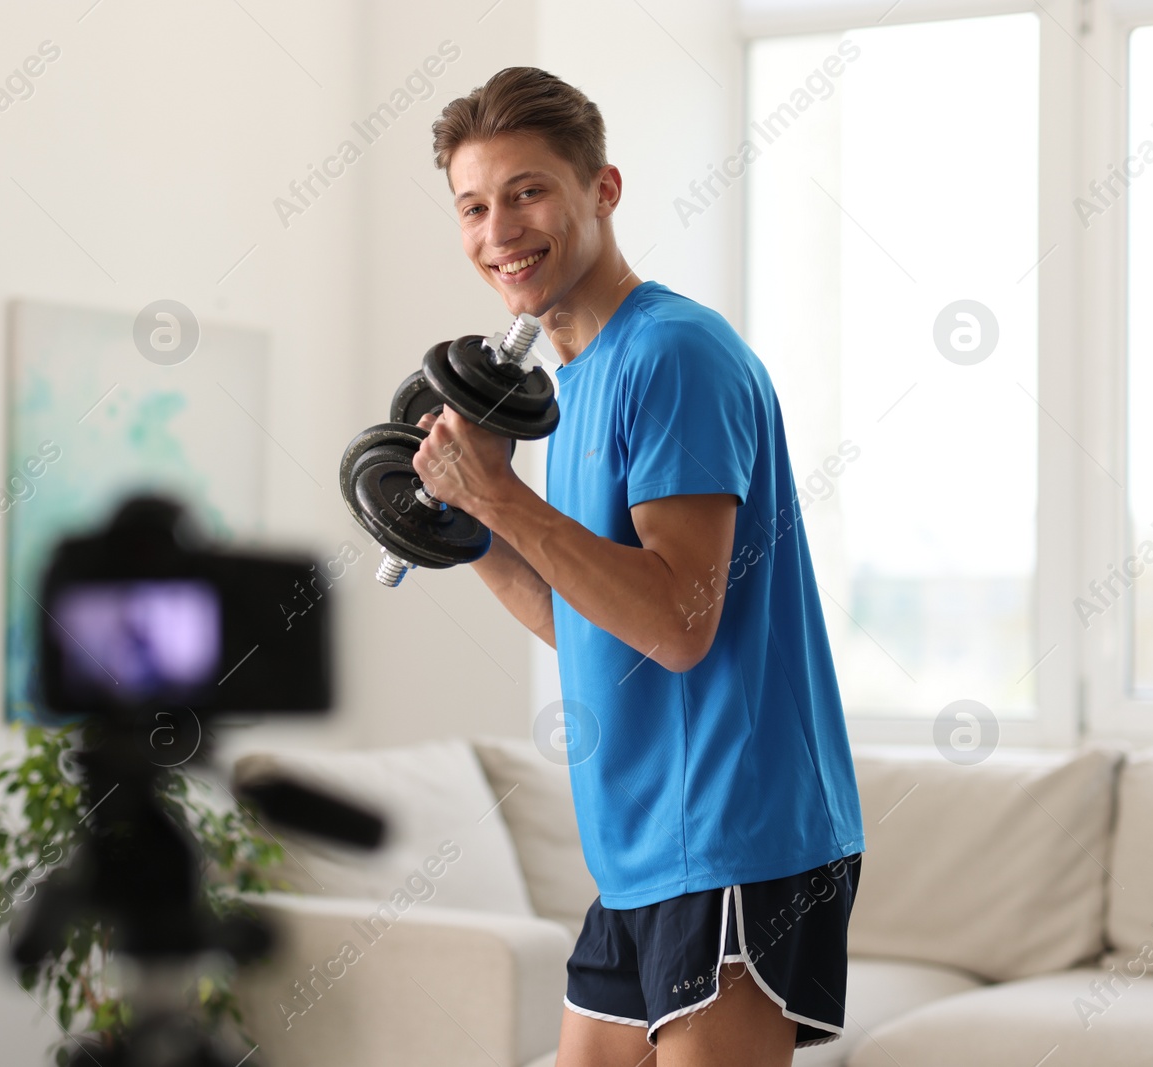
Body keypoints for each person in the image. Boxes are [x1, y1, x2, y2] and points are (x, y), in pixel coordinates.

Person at [412, 67, 866, 1067]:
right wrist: (473, 528)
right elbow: (594, 623)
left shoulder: (672, 356)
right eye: (474, 206)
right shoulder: (572, 385)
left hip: (733, 831)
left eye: (528, 192)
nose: (500, 231)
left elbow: (676, 621)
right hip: (642, 851)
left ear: (602, 191)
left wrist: (501, 497)